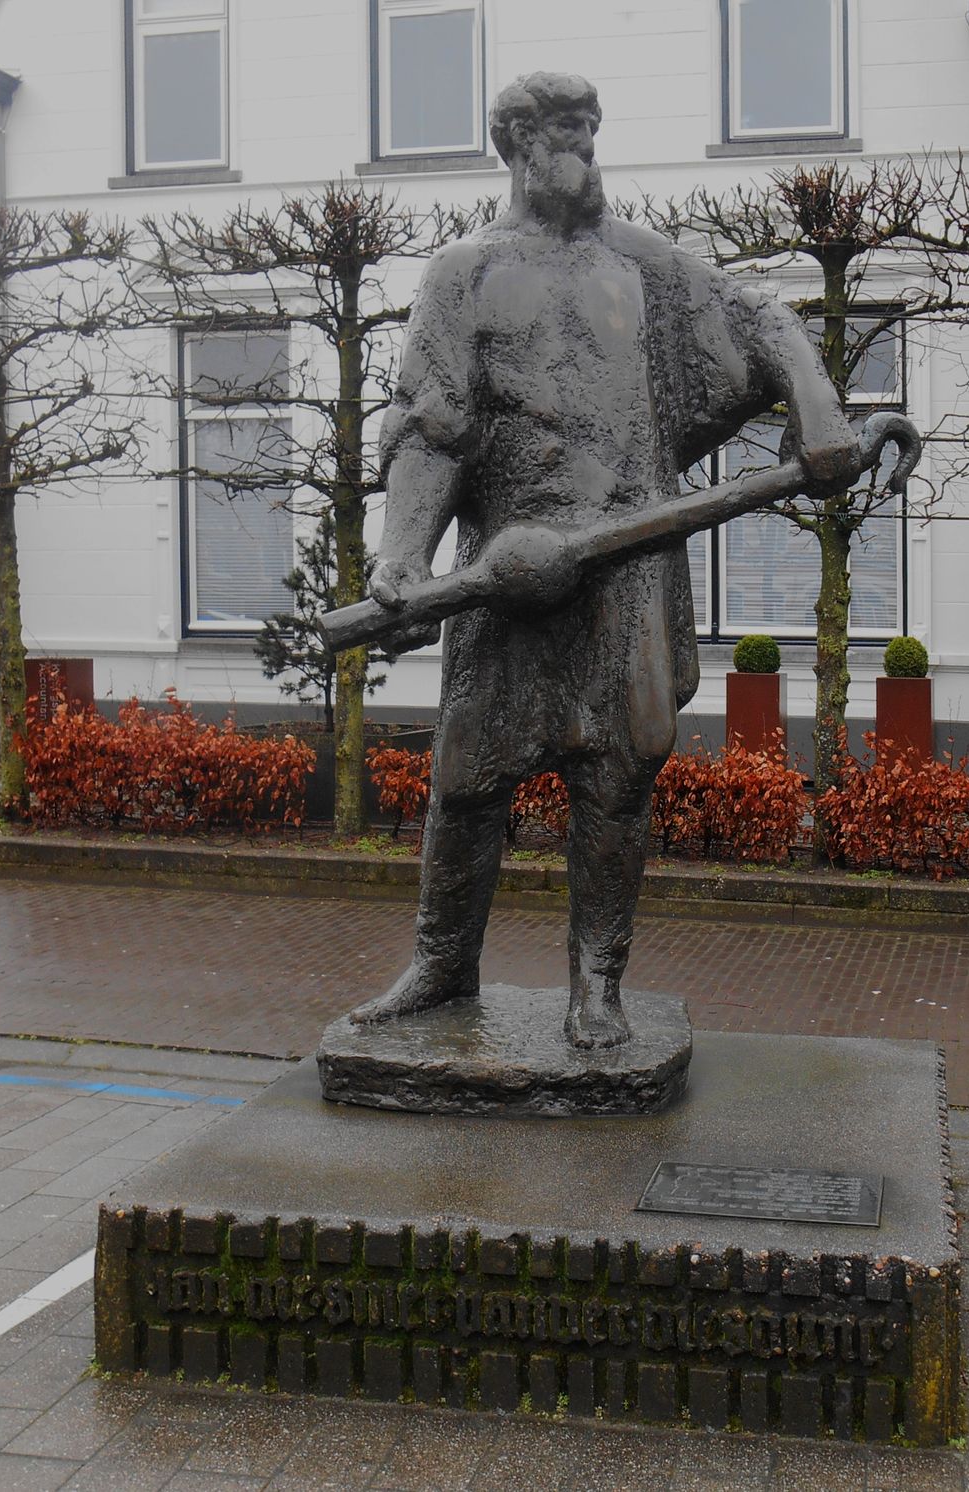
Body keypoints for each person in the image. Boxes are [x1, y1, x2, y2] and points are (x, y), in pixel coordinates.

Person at [353, 71, 860, 1050]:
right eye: (563, 132)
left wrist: (817, 407)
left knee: (616, 779)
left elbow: (761, 321)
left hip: (625, 570)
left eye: (590, 128)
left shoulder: (644, 266)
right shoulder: (462, 274)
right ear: (515, 145)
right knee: (467, 779)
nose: (584, 150)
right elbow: (429, 426)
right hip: (505, 574)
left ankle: (597, 982)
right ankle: (441, 965)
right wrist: (403, 556)